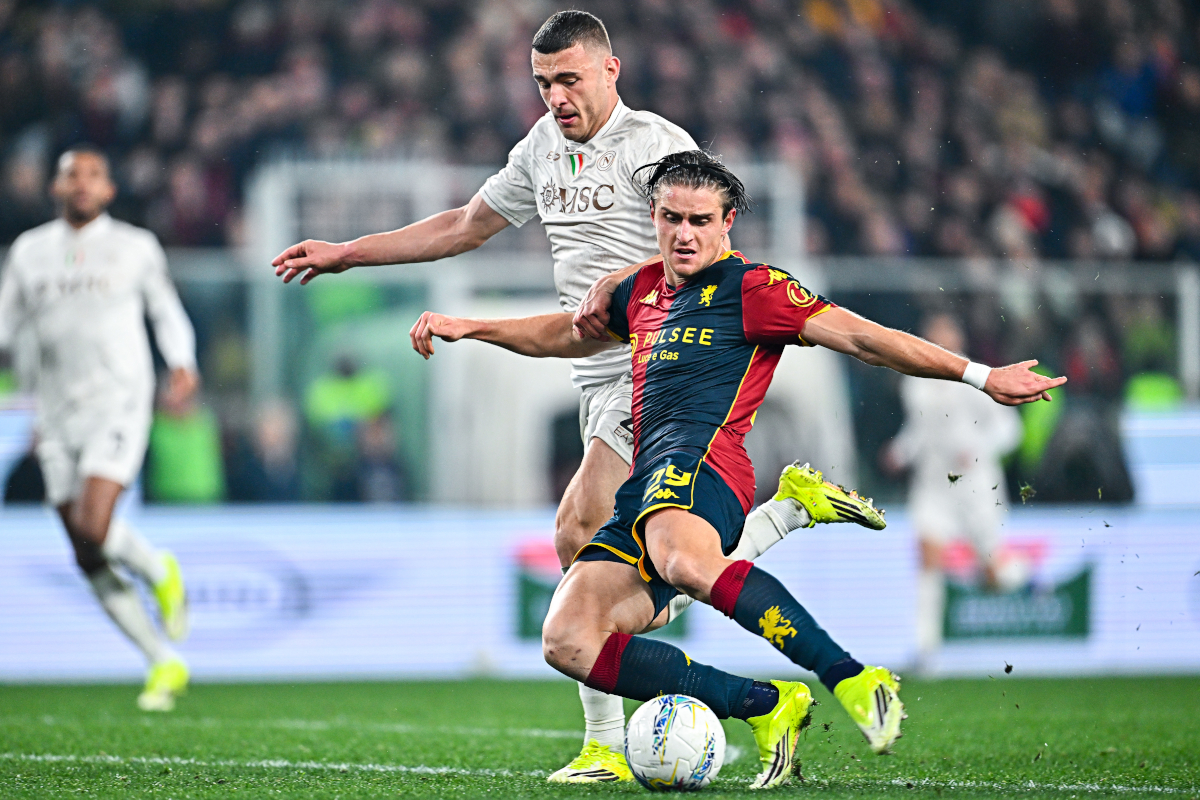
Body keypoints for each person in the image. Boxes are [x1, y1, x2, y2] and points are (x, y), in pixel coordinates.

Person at [273, 10, 882, 782]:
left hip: (657, 362)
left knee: (582, 538)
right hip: (592, 372)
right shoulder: (539, 148)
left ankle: (609, 743)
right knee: (618, 567)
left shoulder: (656, 145)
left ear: (610, 70)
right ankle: (780, 520)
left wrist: (630, 286)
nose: (556, 95)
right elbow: (467, 223)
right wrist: (349, 255)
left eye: (569, 78)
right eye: (543, 82)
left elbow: (711, 248)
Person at [411, 150, 1066, 788]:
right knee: (569, 638)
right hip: (645, 485)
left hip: (707, 469)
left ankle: (849, 676)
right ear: (655, 220)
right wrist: (471, 327)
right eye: (672, 219)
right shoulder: (639, 291)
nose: (685, 234)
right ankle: (765, 704)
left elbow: (863, 337)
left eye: (701, 221)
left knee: (683, 562)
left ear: (728, 225)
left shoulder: (754, 289)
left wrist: (978, 375)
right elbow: (563, 334)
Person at [0, 145, 197, 711]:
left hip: (119, 400)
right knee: (85, 551)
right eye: (70, 176)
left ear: (108, 190)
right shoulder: (29, 253)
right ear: (55, 189)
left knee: (93, 520)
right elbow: (8, 329)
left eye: (91, 176)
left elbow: (165, 310)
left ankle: (159, 569)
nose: (81, 184)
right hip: (55, 411)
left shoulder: (134, 247)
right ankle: (162, 661)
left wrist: (182, 364)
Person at [882, 313, 1022, 668]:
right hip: (933, 485)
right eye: (933, 336)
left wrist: (977, 451)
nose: (940, 341)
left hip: (976, 485)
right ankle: (926, 650)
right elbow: (918, 431)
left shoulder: (977, 379)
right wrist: (899, 453)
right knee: (928, 559)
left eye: (946, 334)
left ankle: (1024, 580)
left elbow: (1010, 431)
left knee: (995, 575)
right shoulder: (915, 384)